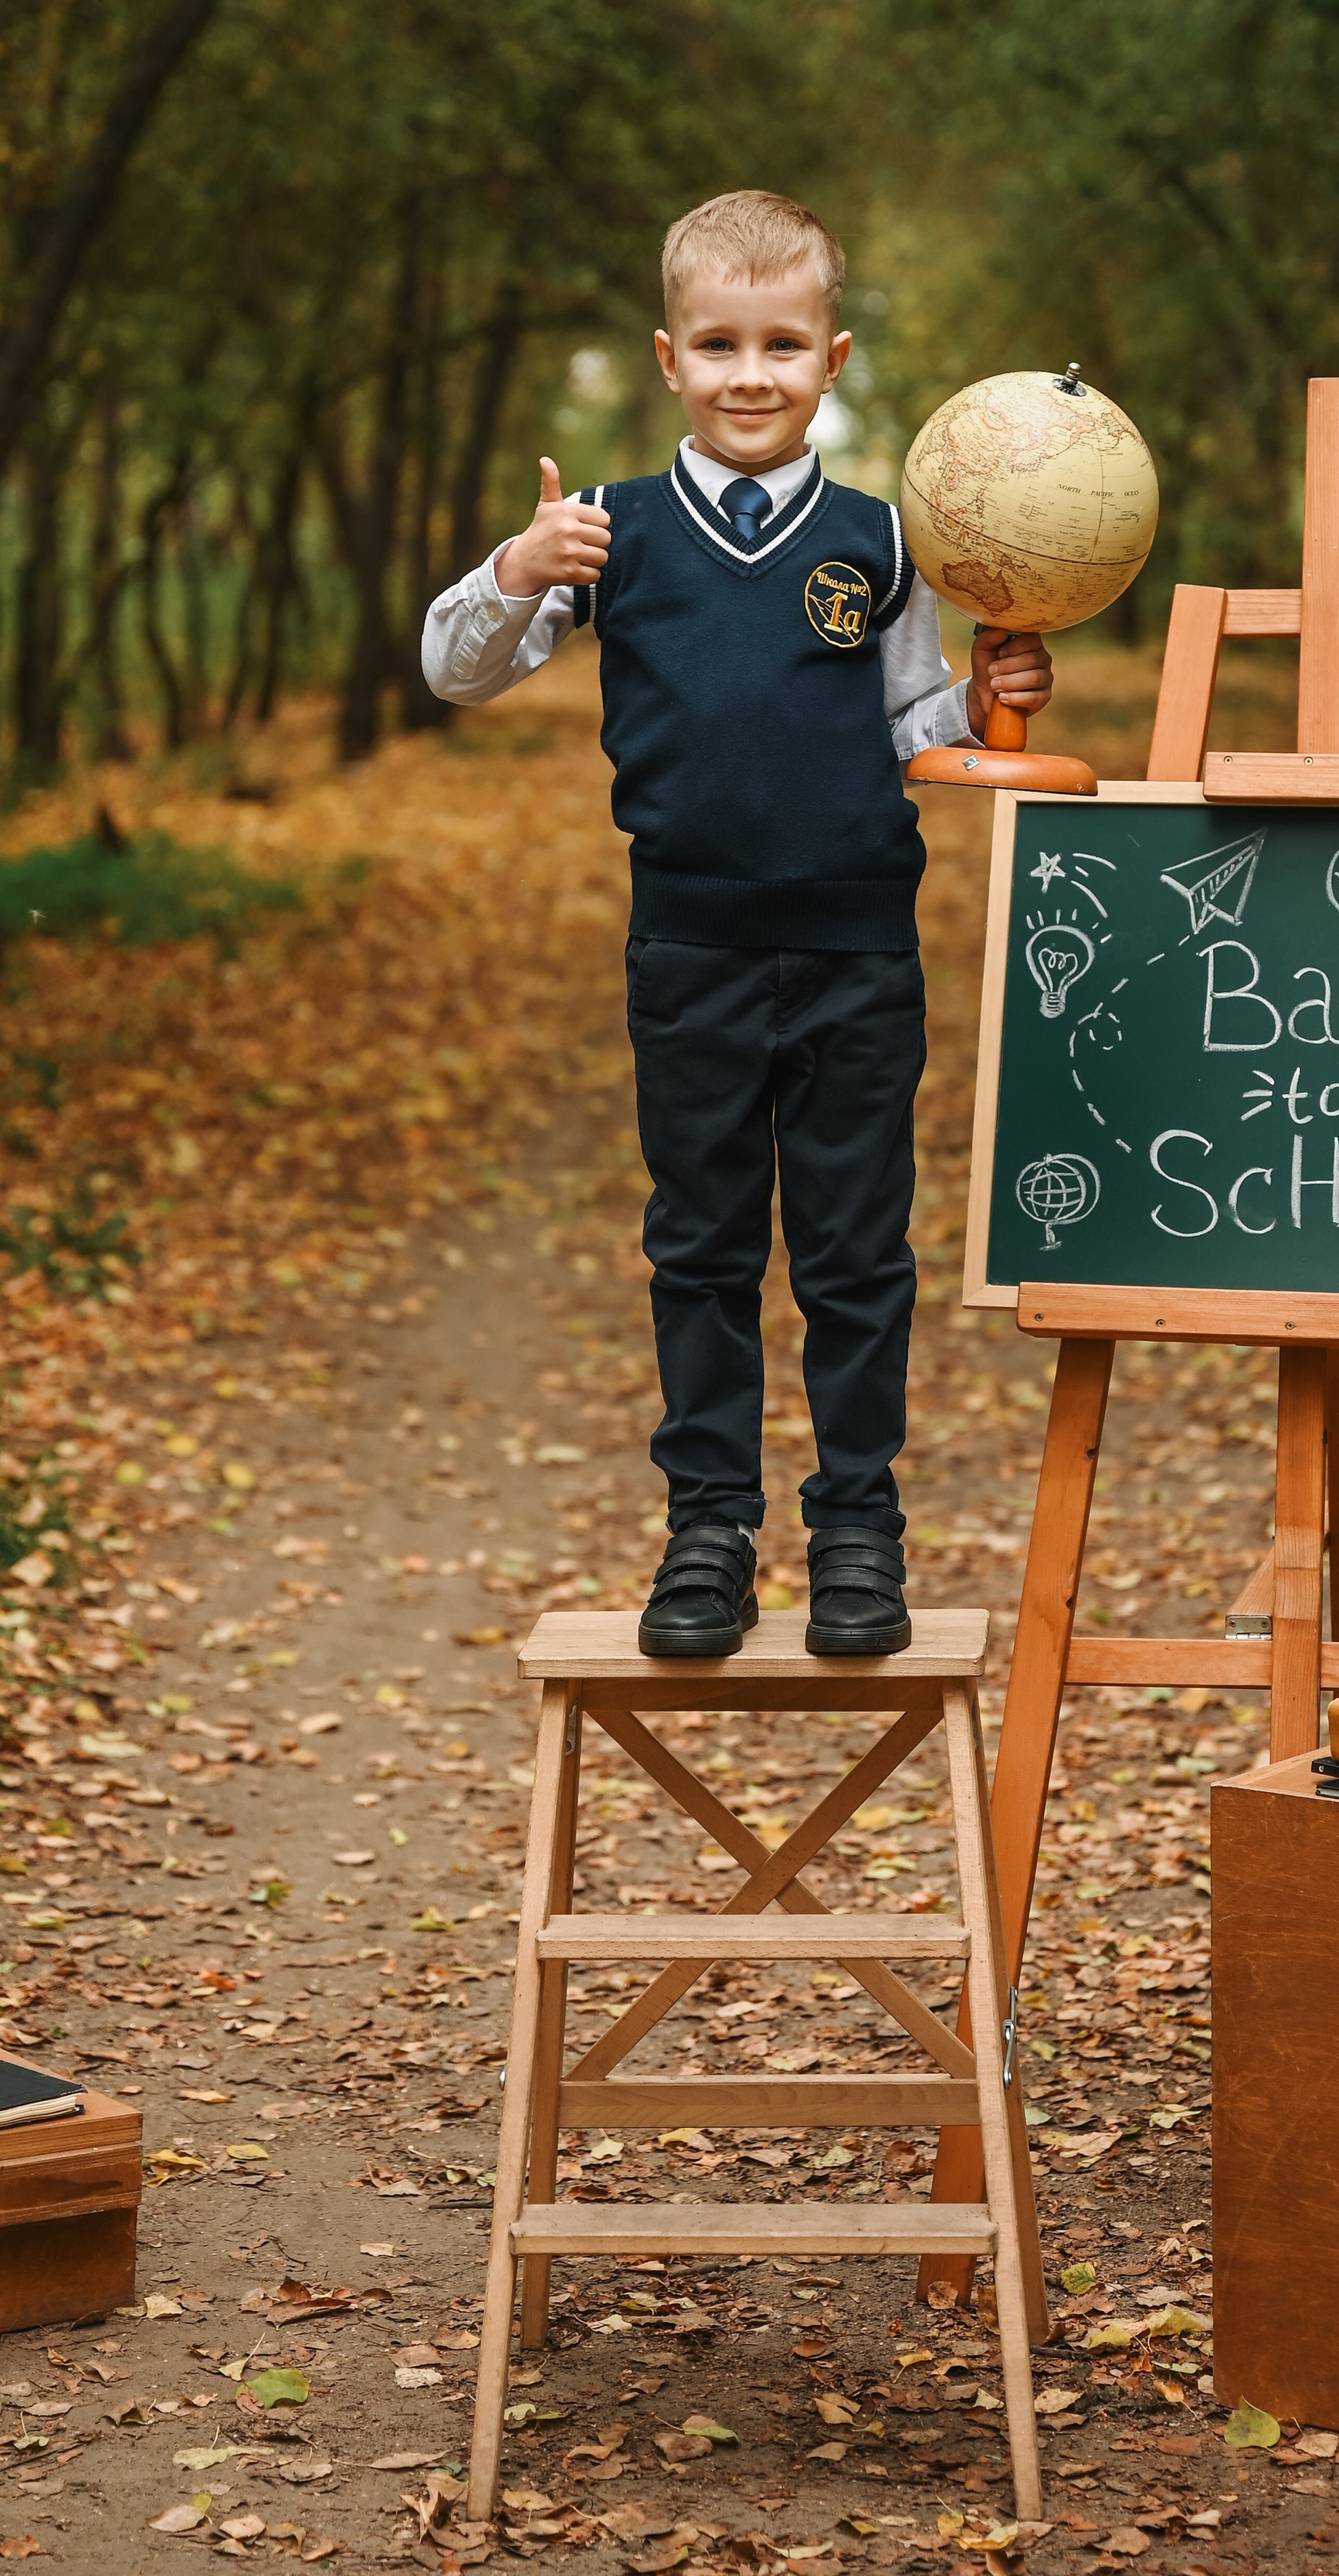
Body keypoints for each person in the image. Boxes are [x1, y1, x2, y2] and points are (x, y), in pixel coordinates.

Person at [422, 190, 1053, 1659]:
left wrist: (992, 694)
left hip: (856, 951)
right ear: (669, 358)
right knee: (702, 1244)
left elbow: (912, 722)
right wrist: (517, 570)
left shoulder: (883, 541)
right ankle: (708, 1529)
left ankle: (858, 1531)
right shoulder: (610, 535)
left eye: (781, 344)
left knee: (853, 1248)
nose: (750, 374)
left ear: (831, 358)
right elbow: (456, 669)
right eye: (719, 344)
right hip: (691, 947)